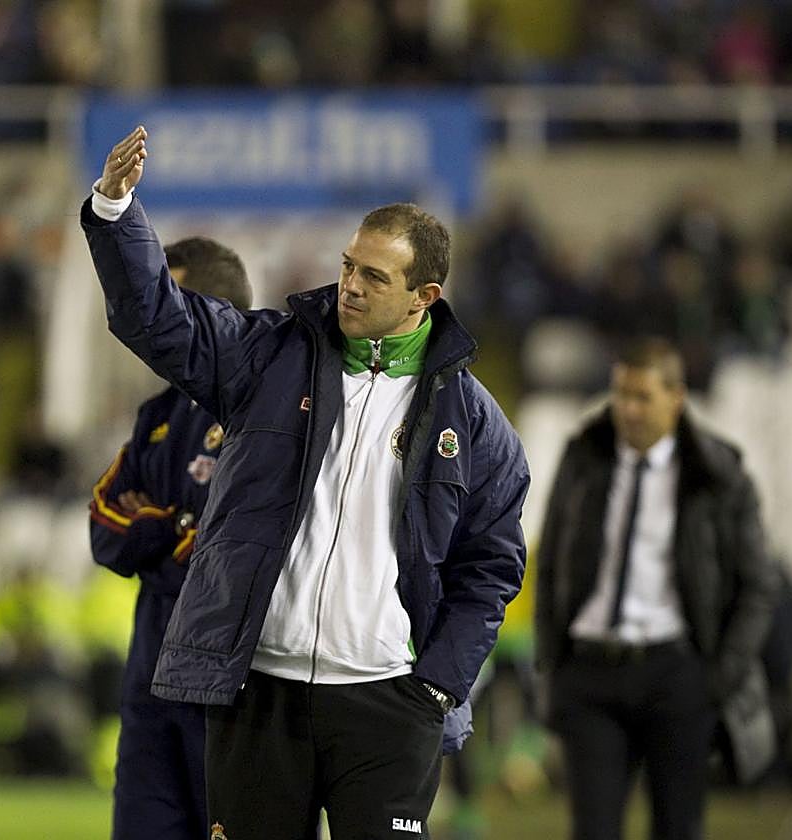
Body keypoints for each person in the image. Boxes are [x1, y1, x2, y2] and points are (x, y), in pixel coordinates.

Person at [81, 126, 530, 839]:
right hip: (260, 692)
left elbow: (491, 568)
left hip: (389, 703)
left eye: (374, 277)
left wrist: (439, 684)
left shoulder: (475, 424)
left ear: (424, 295)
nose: (350, 285)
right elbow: (159, 318)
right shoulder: (268, 357)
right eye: (349, 265)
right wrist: (115, 210)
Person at [534, 336, 778, 840]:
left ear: (676, 398)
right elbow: (552, 561)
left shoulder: (717, 473)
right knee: (593, 830)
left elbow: (758, 584)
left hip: (677, 675)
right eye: (621, 394)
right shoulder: (584, 455)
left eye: (643, 397)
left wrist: (720, 677)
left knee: (678, 827)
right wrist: (551, 661)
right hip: (591, 671)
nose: (628, 409)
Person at [88, 235, 253, 840]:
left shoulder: (259, 410)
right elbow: (103, 525)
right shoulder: (156, 414)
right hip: (150, 667)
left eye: (164, 303)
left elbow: (231, 548)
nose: (148, 322)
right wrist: (176, 524)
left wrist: (157, 529)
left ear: (208, 316)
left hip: (230, 676)